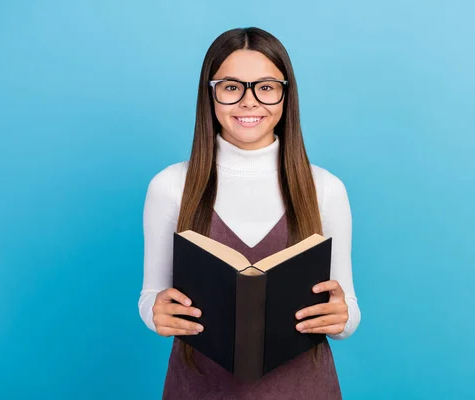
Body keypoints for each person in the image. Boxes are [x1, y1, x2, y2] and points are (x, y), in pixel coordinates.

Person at [138, 26, 361, 399]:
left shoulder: (325, 188)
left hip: (302, 388)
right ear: (210, 96)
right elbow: (151, 297)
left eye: (266, 87)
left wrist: (342, 318)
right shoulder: (170, 185)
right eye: (231, 87)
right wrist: (155, 312)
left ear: (285, 96)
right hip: (200, 388)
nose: (249, 101)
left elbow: (348, 309)